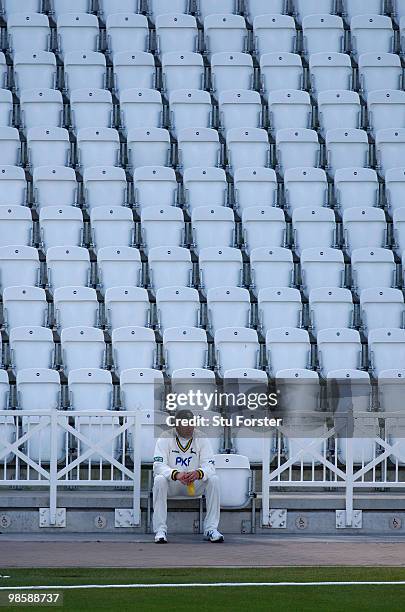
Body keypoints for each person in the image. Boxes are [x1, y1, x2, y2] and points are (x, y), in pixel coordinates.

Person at [152, 409, 224, 544]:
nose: (190, 427)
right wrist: (176, 474)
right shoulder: (165, 437)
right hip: (173, 484)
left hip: (194, 484)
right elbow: (158, 465)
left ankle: (211, 529)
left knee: (213, 479)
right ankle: (160, 530)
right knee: (159, 480)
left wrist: (198, 473)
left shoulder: (201, 437)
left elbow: (210, 465)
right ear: (177, 425)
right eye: (186, 424)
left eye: (192, 423)